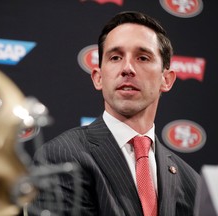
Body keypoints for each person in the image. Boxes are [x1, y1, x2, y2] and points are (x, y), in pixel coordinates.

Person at [26, 11, 200, 216]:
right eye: (115, 57)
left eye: (143, 58)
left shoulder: (190, 180)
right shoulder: (61, 157)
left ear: (167, 79)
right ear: (98, 77)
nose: (127, 68)